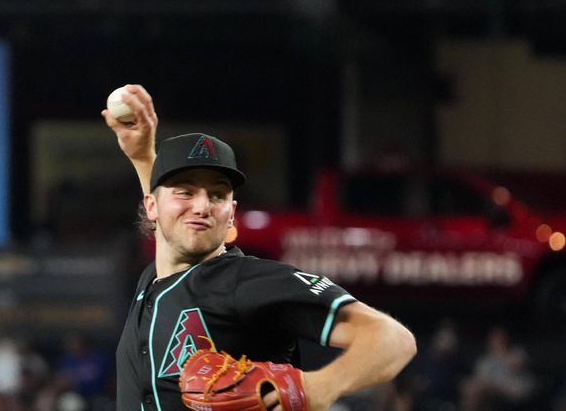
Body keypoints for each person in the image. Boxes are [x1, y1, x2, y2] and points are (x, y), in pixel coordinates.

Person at [102, 84, 417, 411]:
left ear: (232, 213)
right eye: (185, 191)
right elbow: (167, 220)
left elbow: (392, 339)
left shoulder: (246, 281)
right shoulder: (152, 280)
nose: (202, 206)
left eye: (217, 195)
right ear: (151, 206)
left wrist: (316, 387)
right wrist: (143, 158)